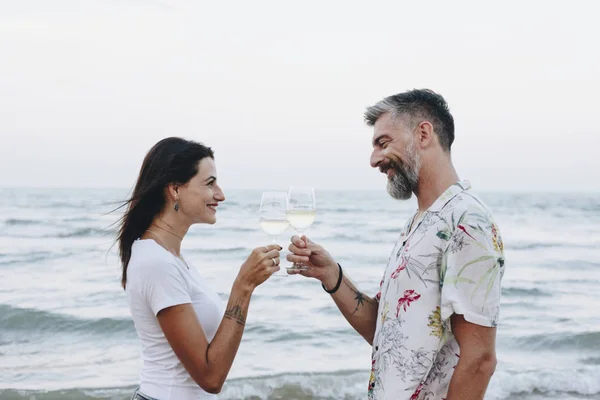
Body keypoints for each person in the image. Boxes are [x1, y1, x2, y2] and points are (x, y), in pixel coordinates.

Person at [287, 89, 505, 400]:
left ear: (424, 134)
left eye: (383, 143)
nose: (374, 159)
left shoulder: (467, 221)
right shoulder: (422, 221)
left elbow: (480, 359)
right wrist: (332, 277)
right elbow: (388, 336)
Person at [116, 137, 281, 400]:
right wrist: (244, 286)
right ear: (175, 189)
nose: (221, 195)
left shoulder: (172, 258)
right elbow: (210, 377)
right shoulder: (156, 262)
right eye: (210, 183)